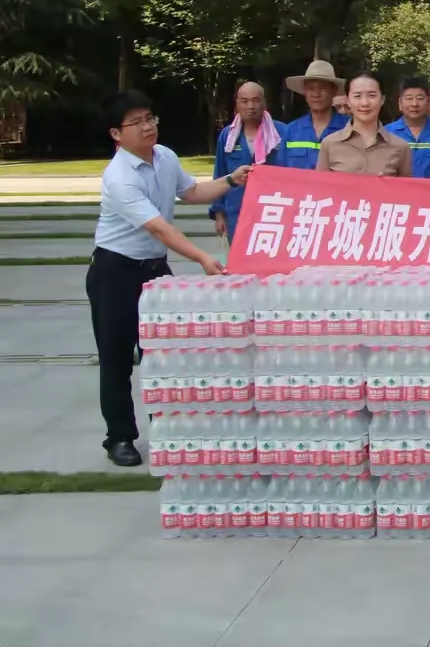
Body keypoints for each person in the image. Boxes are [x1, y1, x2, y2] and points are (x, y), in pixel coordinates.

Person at [90, 91, 251, 466]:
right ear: (117, 133)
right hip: (115, 271)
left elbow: (192, 191)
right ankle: (119, 437)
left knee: (163, 358)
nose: (148, 126)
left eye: (151, 117)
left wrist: (231, 179)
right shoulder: (119, 177)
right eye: (137, 122)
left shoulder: (165, 157)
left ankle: (168, 432)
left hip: (154, 271)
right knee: (116, 359)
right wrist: (202, 258)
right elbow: (159, 229)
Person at [209, 81, 284, 243]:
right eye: (245, 101)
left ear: (264, 103)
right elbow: (220, 174)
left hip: (273, 212)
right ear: (237, 104)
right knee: (239, 266)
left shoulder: (282, 132)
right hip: (236, 212)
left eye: (256, 100)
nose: (251, 106)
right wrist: (219, 214)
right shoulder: (227, 136)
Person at [318, 73, 413, 176]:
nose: (365, 103)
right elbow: (321, 188)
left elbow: (405, 190)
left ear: (382, 100)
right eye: (357, 96)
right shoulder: (329, 144)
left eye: (372, 95)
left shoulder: (400, 147)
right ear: (348, 101)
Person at [384, 78, 430, 179]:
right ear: (400, 103)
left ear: (428, 102)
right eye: (409, 98)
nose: (414, 104)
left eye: (420, 98)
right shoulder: (387, 133)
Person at [282, 60, 349, 171]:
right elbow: (279, 172)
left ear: (334, 91)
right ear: (305, 92)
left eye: (322, 88)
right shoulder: (291, 130)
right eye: (311, 88)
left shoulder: (349, 128)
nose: (316, 94)